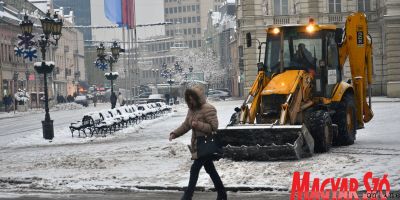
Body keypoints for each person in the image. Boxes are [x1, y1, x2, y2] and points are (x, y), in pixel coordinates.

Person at [169, 85, 227, 200]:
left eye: (192, 98)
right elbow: (186, 125)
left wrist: (198, 125)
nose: (191, 101)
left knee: (194, 169)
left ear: (198, 98)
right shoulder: (192, 110)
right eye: (189, 99)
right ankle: (222, 194)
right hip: (198, 145)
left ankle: (187, 196)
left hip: (206, 144)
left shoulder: (208, 108)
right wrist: (174, 133)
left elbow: (214, 127)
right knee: (210, 169)